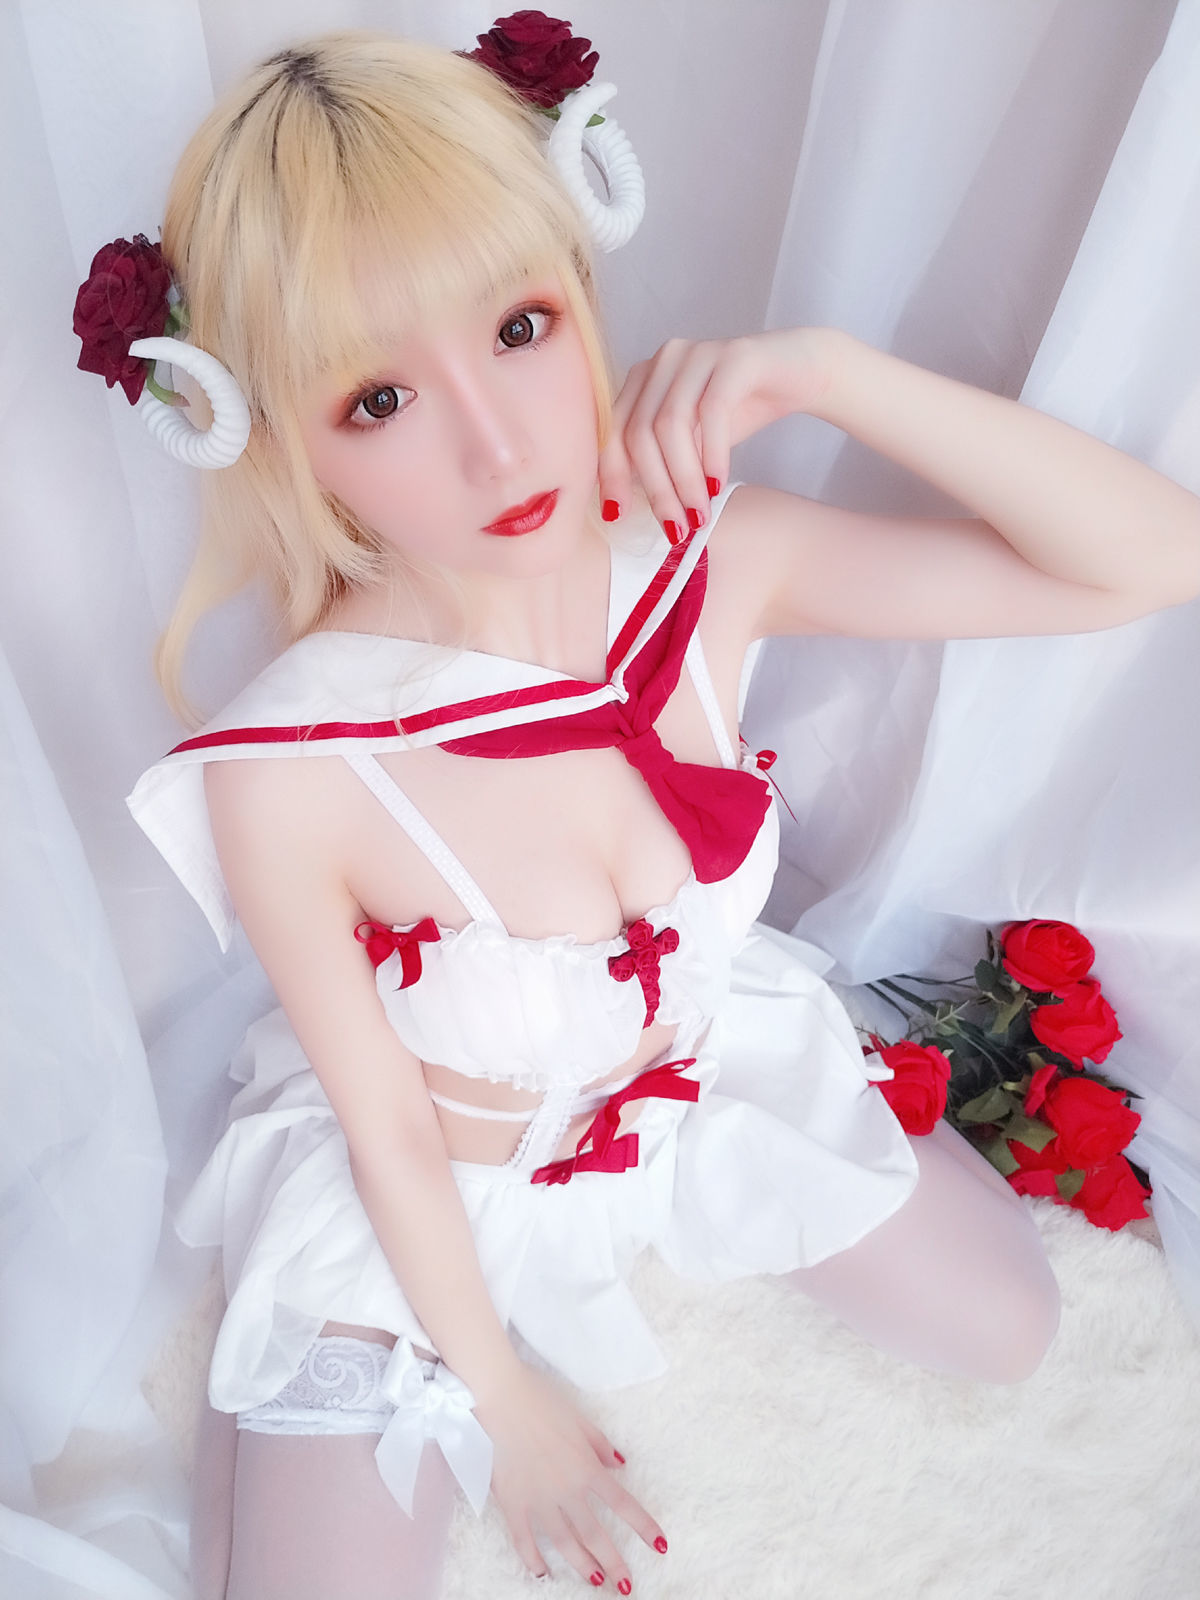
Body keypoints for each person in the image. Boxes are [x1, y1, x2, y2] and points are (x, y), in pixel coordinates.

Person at [95, 24, 1200, 1600]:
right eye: (381, 397)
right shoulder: (294, 766)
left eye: (522, 326)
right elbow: (391, 1129)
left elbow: (1154, 558)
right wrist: (509, 1404)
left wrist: (831, 373)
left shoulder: (706, 559)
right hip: (431, 1190)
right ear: (271, 435)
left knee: (1016, 1328)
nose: (497, 440)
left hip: (689, 1081)